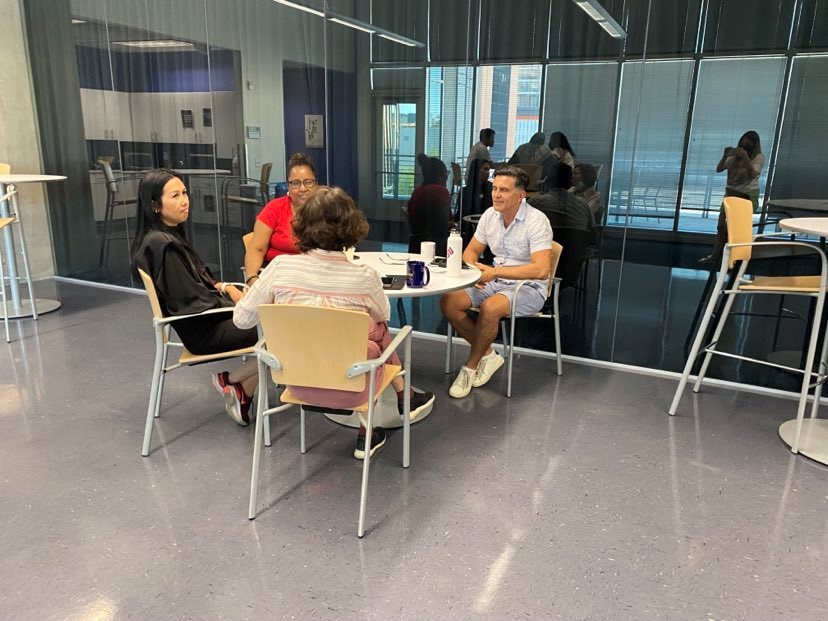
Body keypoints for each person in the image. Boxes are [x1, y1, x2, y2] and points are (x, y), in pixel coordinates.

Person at [234, 186, 436, 459]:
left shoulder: (280, 268)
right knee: (375, 332)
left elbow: (242, 320)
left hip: (297, 384)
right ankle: (397, 401)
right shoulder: (364, 276)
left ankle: (392, 409)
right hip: (353, 389)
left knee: (365, 335)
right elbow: (383, 315)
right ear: (352, 227)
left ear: (300, 225)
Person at [131, 169, 259, 426]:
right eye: (175, 195)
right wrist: (237, 303)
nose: (184, 200)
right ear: (155, 205)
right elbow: (193, 302)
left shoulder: (164, 237)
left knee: (281, 329)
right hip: (205, 332)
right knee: (284, 332)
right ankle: (234, 380)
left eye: (185, 193)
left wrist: (225, 288)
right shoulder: (164, 246)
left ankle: (240, 387)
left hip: (206, 324)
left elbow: (198, 285)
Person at [440, 166, 553, 399]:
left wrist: (493, 272)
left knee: (491, 307)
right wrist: (477, 269)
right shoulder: (490, 216)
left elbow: (541, 270)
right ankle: (489, 355)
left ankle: (470, 368)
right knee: (450, 301)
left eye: (504, 190)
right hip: (493, 279)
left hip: (529, 287)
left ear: (521, 195)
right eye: (494, 188)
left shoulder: (537, 221)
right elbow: (470, 253)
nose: (496, 195)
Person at [243, 152, 317, 287]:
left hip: (313, 280)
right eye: (295, 183)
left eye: (308, 182)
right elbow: (257, 249)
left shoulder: (326, 210)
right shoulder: (274, 208)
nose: (302, 188)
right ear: (288, 186)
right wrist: (252, 279)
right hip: (276, 279)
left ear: (316, 184)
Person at [701, 130, 765, 264]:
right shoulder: (734, 155)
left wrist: (746, 158)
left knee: (733, 229)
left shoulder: (758, 157)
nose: (745, 144)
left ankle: (733, 259)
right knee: (721, 226)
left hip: (746, 196)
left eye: (749, 142)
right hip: (730, 195)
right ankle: (715, 257)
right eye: (744, 141)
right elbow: (719, 169)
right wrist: (725, 156)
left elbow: (753, 174)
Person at [529, 161, 595, 232]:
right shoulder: (584, 206)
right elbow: (593, 233)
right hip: (575, 242)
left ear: (548, 181)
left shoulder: (534, 203)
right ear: (570, 182)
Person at [407, 156, 452, 256]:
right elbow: (444, 224)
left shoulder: (417, 191)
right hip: (435, 247)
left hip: (415, 245)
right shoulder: (441, 191)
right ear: (441, 175)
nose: (447, 176)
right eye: (446, 173)